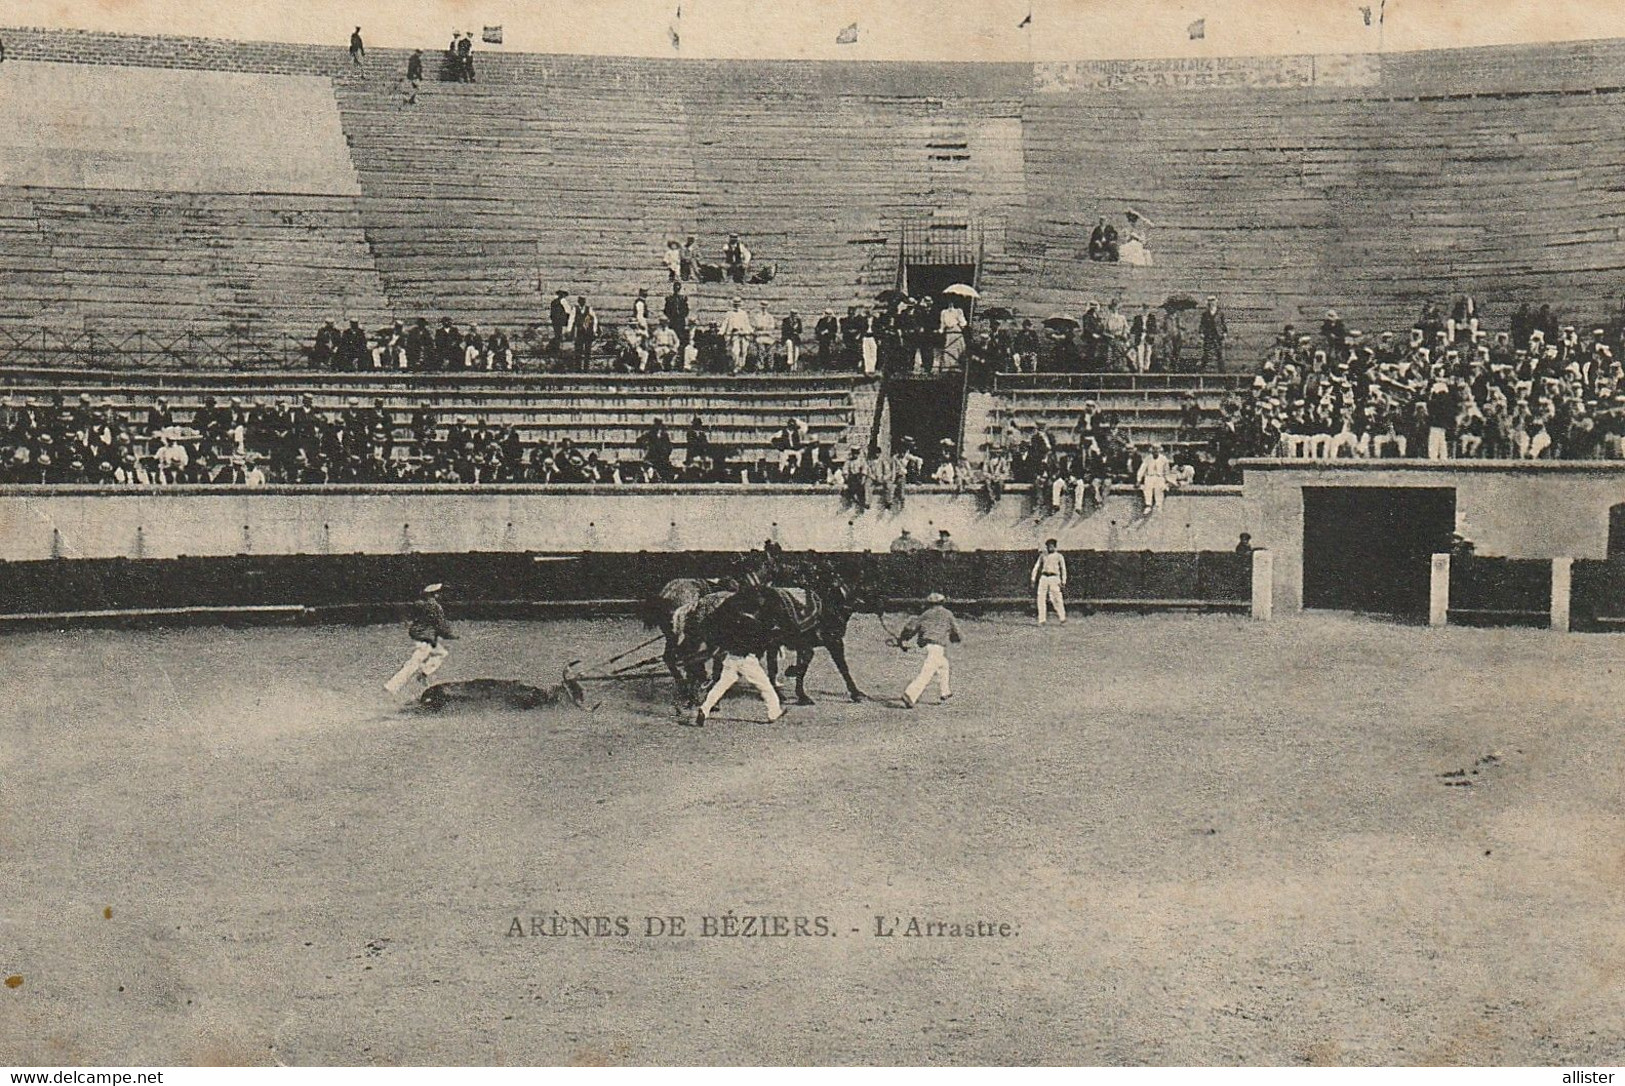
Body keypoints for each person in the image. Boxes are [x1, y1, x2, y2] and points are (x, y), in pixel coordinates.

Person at [384, 584, 457, 695]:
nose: (442, 595)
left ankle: (423, 674)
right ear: (435, 594)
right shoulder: (435, 606)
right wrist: (450, 635)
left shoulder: (423, 605)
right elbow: (440, 624)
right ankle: (391, 687)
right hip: (425, 638)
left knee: (441, 653)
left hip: (423, 636)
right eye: (440, 593)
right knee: (414, 663)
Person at [897, 592, 961, 709]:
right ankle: (910, 694)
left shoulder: (925, 614)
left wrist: (903, 639)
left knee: (943, 665)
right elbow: (956, 632)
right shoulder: (947, 614)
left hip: (926, 646)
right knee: (927, 673)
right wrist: (956, 638)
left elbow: (911, 628)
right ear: (943, 602)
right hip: (937, 647)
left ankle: (945, 692)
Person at [692, 651, 783, 726]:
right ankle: (774, 713)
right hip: (747, 658)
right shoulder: (754, 628)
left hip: (731, 658)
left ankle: (704, 709)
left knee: (720, 686)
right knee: (765, 686)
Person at [1031, 538, 1067, 625]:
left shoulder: (1059, 556)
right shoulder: (1043, 555)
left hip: (1054, 578)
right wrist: (1033, 579)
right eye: (1048, 546)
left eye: (1051, 546)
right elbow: (1036, 567)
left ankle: (1062, 618)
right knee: (1041, 598)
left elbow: (1063, 569)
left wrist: (1063, 581)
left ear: (1055, 547)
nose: (1049, 548)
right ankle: (1042, 620)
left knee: (1056, 598)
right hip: (1044, 578)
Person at [1199, 295, 1227, 372]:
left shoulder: (1220, 313)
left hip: (1218, 335)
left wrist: (1224, 332)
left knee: (1220, 353)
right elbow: (1202, 324)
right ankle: (1202, 369)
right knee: (1206, 352)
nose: (1212, 302)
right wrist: (1201, 332)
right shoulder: (1205, 314)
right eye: (1210, 301)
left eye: (1213, 300)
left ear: (1216, 301)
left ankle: (1222, 371)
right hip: (1208, 335)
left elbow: (1223, 324)